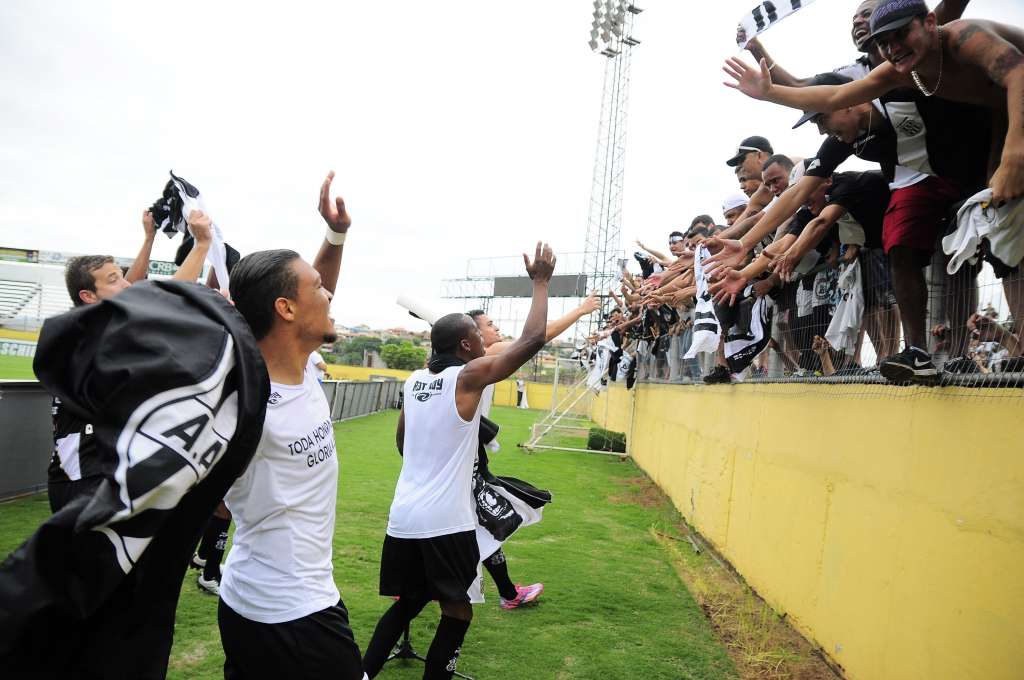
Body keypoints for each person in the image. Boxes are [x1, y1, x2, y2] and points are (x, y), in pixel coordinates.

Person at [361, 243, 557, 680]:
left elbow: (402, 444)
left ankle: (362, 673)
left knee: (409, 604)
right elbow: (532, 341)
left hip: (403, 517)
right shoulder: (467, 376)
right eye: (479, 333)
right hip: (445, 522)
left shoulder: (413, 382)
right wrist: (541, 283)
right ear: (469, 344)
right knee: (458, 611)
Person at [216, 171, 366, 680]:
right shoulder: (247, 399)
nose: (329, 295)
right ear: (284, 309)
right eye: (319, 290)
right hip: (292, 612)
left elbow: (310, 296)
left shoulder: (299, 369)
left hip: (256, 600)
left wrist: (335, 236)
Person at [48, 211, 213, 512]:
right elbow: (164, 305)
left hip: (95, 467)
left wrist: (149, 238)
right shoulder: (90, 334)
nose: (126, 285)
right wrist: (201, 244)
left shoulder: (93, 324)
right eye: (114, 280)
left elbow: (131, 288)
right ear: (87, 295)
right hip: (84, 477)